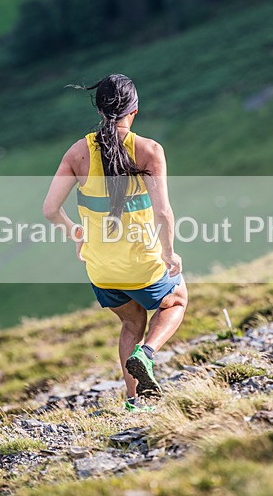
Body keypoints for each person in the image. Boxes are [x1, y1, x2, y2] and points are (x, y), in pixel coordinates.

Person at [43, 74, 187, 412]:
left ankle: (137, 401)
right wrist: (169, 253)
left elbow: (50, 210)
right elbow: (164, 214)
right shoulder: (149, 151)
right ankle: (146, 355)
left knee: (130, 322)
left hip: (101, 268)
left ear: (99, 107)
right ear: (134, 110)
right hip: (143, 262)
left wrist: (75, 233)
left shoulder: (77, 153)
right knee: (176, 300)